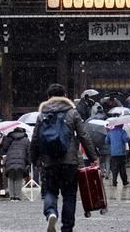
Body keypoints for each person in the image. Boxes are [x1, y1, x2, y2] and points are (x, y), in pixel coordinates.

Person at [30, 83, 98, 232]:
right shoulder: (72, 113)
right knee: (69, 195)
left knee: (50, 191)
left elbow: (35, 139)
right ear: (65, 96)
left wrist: (34, 159)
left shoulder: (42, 115)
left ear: (48, 98)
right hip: (70, 162)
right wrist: (93, 157)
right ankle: (67, 228)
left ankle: (51, 213)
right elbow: (84, 136)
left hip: (49, 161)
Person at [0, 126, 31, 201]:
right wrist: (29, 162)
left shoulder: (9, 138)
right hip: (21, 161)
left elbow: (3, 149)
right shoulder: (26, 140)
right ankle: (17, 196)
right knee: (19, 178)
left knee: (11, 178)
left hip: (10, 160)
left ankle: (12, 196)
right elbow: (29, 152)